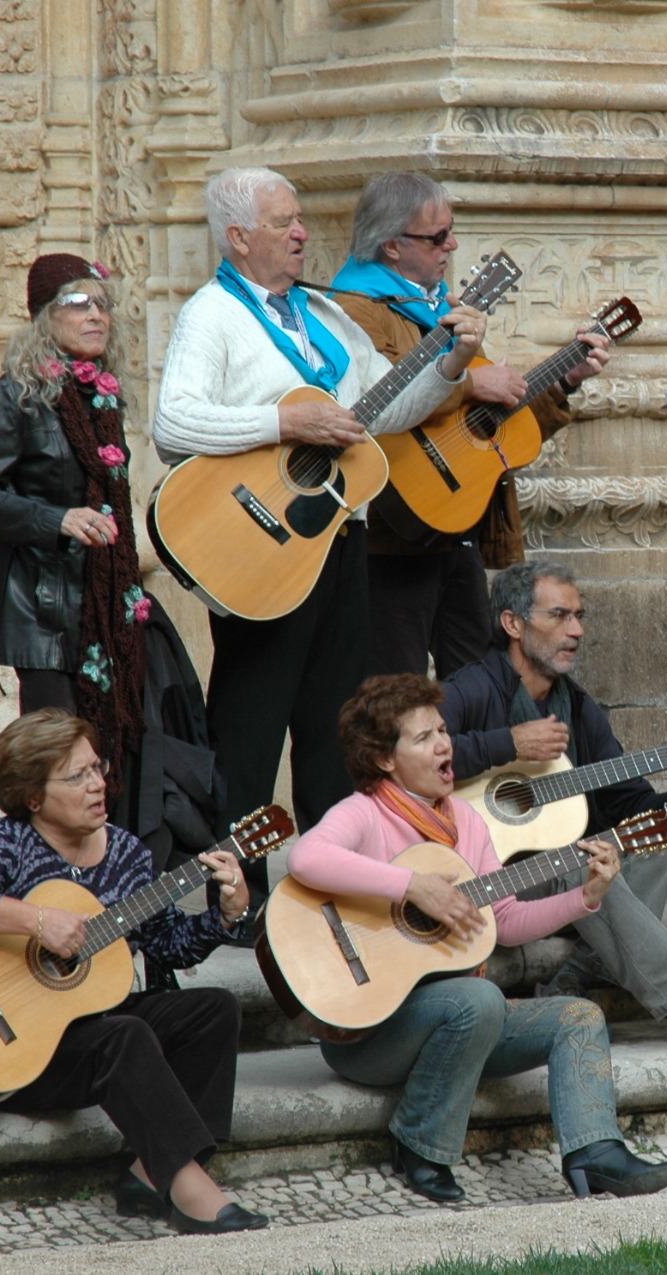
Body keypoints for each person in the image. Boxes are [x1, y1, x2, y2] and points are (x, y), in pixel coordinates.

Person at [151, 166, 483, 906]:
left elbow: (387, 409)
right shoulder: (213, 314)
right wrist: (284, 422)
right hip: (260, 547)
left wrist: (452, 361)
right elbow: (174, 423)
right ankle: (235, 899)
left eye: (299, 219)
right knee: (249, 732)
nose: (303, 232)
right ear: (239, 237)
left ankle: (333, 891)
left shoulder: (325, 314)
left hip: (338, 540)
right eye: (284, 223)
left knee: (339, 729)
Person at [284, 673, 667, 1203]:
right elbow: (305, 857)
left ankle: (596, 1152)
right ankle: (420, 1143)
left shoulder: (467, 821)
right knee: (479, 997)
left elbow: (506, 920)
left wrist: (586, 897)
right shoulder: (365, 812)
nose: (444, 744)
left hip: (459, 1021)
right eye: (424, 737)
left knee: (579, 1015)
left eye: (442, 730)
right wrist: (412, 886)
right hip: (363, 1033)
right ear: (384, 759)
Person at [0, 709, 265, 1233]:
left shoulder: (125, 853)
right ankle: (191, 1193)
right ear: (33, 797)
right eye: (77, 776)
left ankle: (150, 1174)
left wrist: (226, 916)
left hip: (86, 1030)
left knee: (214, 1010)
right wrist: (36, 921)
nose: (98, 784)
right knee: (122, 1035)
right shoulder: (6, 842)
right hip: (14, 1051)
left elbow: (169, 944)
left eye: (97, 768)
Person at [438, 559, 667, 1057]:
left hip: (562, 886)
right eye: (559, 616)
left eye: (579, 616)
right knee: (578, 861)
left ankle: (576, 973)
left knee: (666, 836)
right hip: (478, 880)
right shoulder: (468, 690)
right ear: (513, 623)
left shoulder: (579, 710)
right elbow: (406, 759)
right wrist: (506, 744)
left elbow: (634, 804)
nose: (576, 630)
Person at [329, 173, 613, 678]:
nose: (453, 245)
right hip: (390, 537)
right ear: (392, 245)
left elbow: (488, 429)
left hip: (457, 528)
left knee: (479, 688)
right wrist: (470, 383)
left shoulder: (441, 308)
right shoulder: (352, 310)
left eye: (451, 231)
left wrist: (562, 382)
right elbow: (377, 402)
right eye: (438, 236)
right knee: (396, 694)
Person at [0, 254, 146, 779]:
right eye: (78, 303)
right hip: (43, 611)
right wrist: (57, 520)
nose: (96, 315)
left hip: (104, 604)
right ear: (45, 315)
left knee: (112, 752)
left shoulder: (102, 396)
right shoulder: (17, 393)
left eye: (103, 304)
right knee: (58, 762)